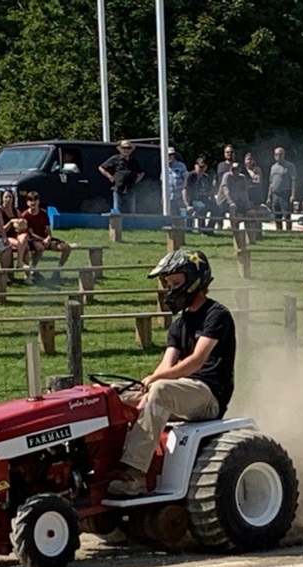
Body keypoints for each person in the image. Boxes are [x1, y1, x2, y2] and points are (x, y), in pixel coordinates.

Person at [107, 249, 235, 497]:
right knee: (113, 395)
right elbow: (166, 366)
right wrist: (143, 389)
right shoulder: (179, 325)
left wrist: (155, 382)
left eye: (176, 283)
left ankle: (134, 475)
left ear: (195, 280)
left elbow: (196, 361)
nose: (171, 290)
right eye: (168, 285)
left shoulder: (217, 315)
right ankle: (103, 467)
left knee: (161, 390)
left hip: (208, 396)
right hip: (181, 391)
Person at [21, 191, 72, 281]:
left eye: (35, 200)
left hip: (45, 238)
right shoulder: (25, 215)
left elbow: (48, 230)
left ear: (38, 201)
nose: (33, 202)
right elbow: (30, 233)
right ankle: (33, 269)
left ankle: (58, 270)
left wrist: (48, 238)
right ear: (27, 202)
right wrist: (43, 240)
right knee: (40, 247)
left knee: (66, 248)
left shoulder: (43, 213)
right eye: (30, 200)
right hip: (32, 240)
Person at [99, 139, 144, 214]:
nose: (126, 150)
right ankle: (117, 225)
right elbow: (101, 167)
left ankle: (130, 225)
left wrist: (137, 180)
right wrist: (110, 177)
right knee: (117, 211)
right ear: (120, 149)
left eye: (128, 148)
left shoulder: (134, 161)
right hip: (118, 188)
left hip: (130, 189)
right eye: (124, 148)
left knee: (131, 211)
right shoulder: (115, 158)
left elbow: (141, 172)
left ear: (131, 150)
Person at [0, 189, 31, 283]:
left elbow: (22, 227)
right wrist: (10, 222)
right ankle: (19, 268)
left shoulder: (16, 211)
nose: (8, 199)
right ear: (2, 199)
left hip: (15, 234)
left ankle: (23, 269)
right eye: (6, 197)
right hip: (3, 236)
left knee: (24, 239)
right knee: (23, 246)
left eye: (10, 197)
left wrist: (22, 224)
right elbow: (0, 229)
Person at [183, 156, 219, 233]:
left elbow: (210, 191)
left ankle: (209, 228)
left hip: (204, 199)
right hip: (193, 200)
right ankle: (202, 229)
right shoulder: (191, 176)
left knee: (217, 210)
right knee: (202, 208)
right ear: (195, 166)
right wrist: (187, 204)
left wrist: (213, 199)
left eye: (203, 167)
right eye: (200, 166)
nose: (201, 169)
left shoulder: (206, 177)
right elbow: (185, 190)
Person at [268, 147, 297, 230]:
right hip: (275, 194)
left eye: (280, 154)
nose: (278, 156)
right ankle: (279, 231)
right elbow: (271, 183)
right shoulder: (273, 167)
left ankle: (288, 231)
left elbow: (293, 180)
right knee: (277, 215)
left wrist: (293, 195)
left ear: (284, 155)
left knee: (287, 214)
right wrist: (269, 197)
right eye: (276, 154)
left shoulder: (289, 166)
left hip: (285, 193)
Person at [166, 147, 188, 217]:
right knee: (170, 214)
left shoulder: (181, 166)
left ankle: (183, 227)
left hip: (179, 196)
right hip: (168, 196)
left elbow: (186, 179)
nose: (169, 157)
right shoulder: (164, 166)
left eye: (171, 155)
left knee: (182, 214)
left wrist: (185, 193)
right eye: (168, 155)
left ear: (174, 155)